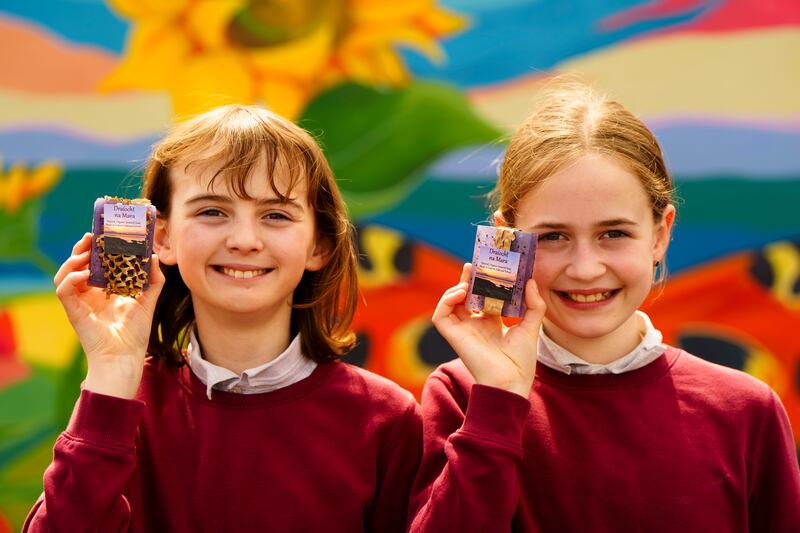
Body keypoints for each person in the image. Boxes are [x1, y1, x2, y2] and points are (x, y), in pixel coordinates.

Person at [408, 80, 800, 532]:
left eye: (614, 233)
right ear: (508, 241)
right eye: (553, 236)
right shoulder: (463, 394)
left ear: (660, 233)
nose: (586, 268)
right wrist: (498, 400)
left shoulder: (744, 411)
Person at [25, 105, 422, 532]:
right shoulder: (120, 402)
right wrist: (111, 370)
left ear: (318, 245)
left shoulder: (387, 419)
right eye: (212, 211)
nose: (245, 241)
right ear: (161, 237)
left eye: (276, 215)